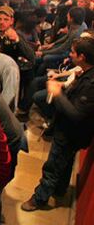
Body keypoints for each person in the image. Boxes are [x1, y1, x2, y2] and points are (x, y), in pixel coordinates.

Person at [21, 37, 94, 211]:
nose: (70, 54)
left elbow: (76, 114)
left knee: (52, 166)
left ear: (82, 57)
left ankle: (39, 198)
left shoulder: (91, 83)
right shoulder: (85, 73)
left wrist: (57, 93)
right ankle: (60, 190)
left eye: (74, 52)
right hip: (72, 132)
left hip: (70, 133)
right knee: (65, 162)